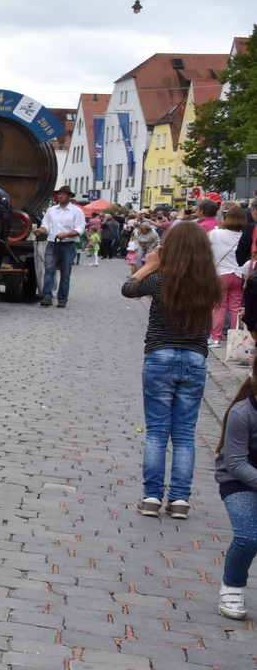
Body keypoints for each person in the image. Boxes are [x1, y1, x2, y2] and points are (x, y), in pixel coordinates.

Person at [122, 222, 220, 519]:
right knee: (185, 434)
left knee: (156, 433)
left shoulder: (160, 278)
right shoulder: (211, 283)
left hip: (159, 356)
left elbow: (128, 288)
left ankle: (151, 497)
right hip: (194, 359)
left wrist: (149, 265)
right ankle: (179, 500)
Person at [213, 375, 257, 620]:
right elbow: (235, 463)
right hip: (238, 480)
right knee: (248, 537)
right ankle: (232, 586)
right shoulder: (242, 413)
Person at [38, 186, 85, 308]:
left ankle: (62, 299)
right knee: (49, 270)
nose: (60, 196)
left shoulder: (76, 211)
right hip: (52, 244)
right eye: (59, 194)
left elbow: (80, 228)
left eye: (63, 194)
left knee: (65, 273)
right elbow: (46, 225)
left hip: (68, 245)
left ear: (69, 196)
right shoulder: (51, 210)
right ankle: (47, 297)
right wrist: (40, 230)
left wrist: (67, 235)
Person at [208, 203, 246, 346]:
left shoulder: (216, 234)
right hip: (238, 274)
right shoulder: (243, 235)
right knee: (235, 307)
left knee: (219, 307)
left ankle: (216, 337)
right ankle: (235, 338)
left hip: (220, 274)